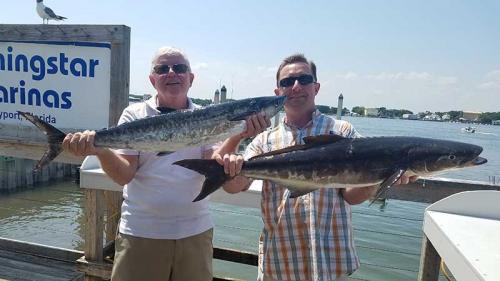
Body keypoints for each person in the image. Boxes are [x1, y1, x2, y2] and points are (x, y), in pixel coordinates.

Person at [62, 46, 270, 281]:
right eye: (163, 69)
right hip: (141, 233)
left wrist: (237, 134)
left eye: (180, 68)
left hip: (195, 232)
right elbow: (124, 175)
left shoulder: (208, 118)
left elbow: (214, 165)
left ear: (191, 78)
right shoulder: (135, 114)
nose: (172, 73)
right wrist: (99, 150)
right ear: (153, 80)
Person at [214, 53, 417, 281]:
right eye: (287, 82)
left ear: (316, 87)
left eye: (304, 79)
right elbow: (234, 187)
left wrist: (382, 179)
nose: (296, 86)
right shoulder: (264, 141)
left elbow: (351, 196)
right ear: (278, 92)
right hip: (279, 262)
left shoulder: (343, 133)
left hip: (330, 263)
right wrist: (237, 140)